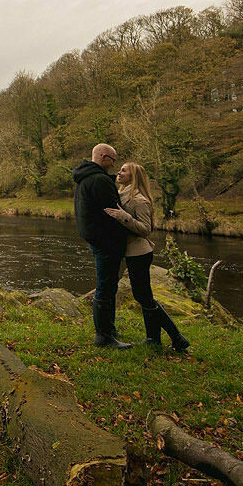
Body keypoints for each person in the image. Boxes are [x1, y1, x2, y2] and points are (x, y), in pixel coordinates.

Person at [106, 162, 190, 353]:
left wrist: (123, 216)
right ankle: (154, 339)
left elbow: (146, 230)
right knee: (145, 297)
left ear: (133, 176)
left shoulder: (139, 200)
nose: (119, 172)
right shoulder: (123, 194)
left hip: (140, 253)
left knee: (143, 297)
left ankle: (177, 337)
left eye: (124, 170)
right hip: (131, 252)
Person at [70, 143, 132, 348]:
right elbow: (113, 211)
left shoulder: (84, 178)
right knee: (106, 286)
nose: (114, 165)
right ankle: (104, 336)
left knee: (108, 285)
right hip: (106, 241)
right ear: (104, 157)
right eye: (113, 160)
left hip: (96, 239)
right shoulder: (99, 180)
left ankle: (109, 329)